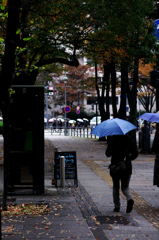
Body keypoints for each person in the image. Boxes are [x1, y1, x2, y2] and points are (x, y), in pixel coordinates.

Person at [105, 133, 138, 213]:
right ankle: (130, 199)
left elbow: (107, 154)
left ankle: (117, 207)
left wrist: (109, 141)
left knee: (116, 186)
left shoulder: (113, 139)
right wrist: (128, 159)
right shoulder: (129, 139)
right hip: (127, 166)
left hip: (116, 166)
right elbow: (135, 154)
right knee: (125, 187)